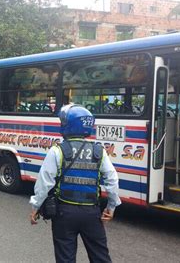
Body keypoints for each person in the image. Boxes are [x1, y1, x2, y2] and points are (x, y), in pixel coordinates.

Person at [29, 104, 121, 263]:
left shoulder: (57, 151)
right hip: (92, 213)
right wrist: (111, 207)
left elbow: (44, 183)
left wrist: (35, 207)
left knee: (65, 258)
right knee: (100, 257)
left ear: (67, 125)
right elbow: (112, 180)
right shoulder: (99, 151)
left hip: (64, 213)